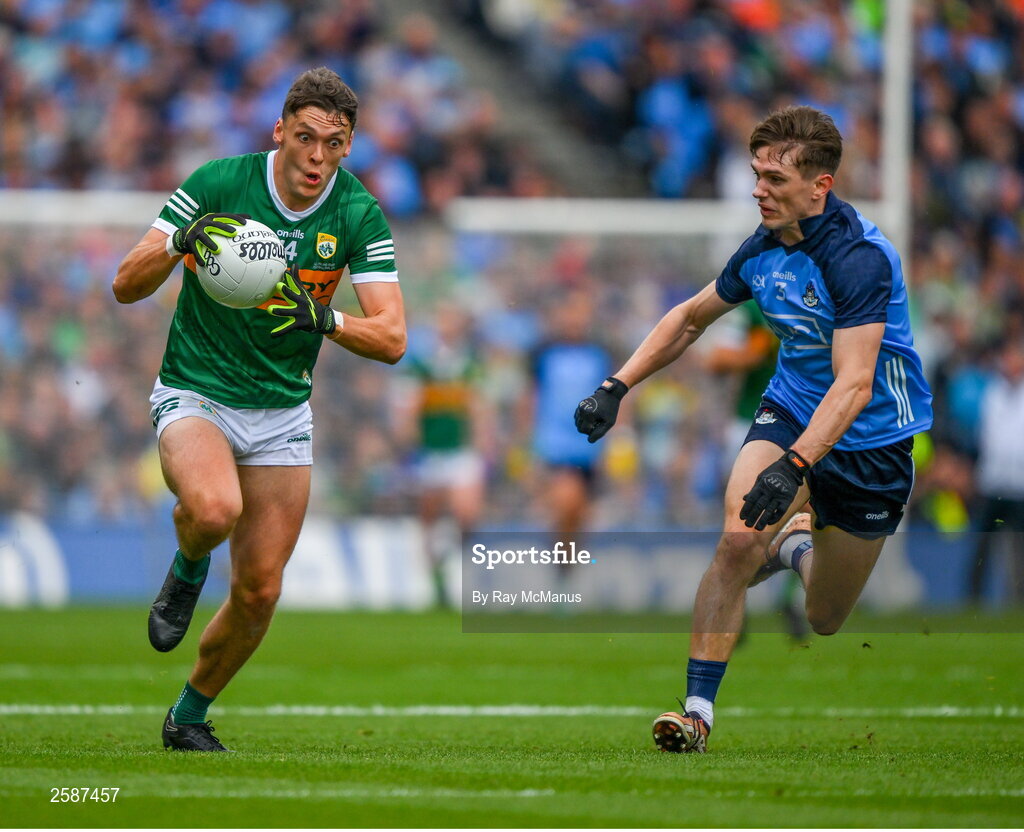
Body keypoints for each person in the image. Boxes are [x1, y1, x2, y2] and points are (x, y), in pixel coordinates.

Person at [575, 106, 932, 753]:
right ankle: (696, 714)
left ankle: (797, 544)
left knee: (823, 618)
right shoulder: (764, 249)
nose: (758, 189)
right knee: (737, 542)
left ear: (820, 185)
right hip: (791, 411)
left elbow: (853, 386)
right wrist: (617, 385)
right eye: (756, 174)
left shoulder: (859, 260)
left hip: (872, 441)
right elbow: (690, 318)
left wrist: (793, 468)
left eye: (774, 178)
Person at [112, 67, 406, 751]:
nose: (317, 156)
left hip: (281, 413)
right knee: (214, 509)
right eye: (305, 137)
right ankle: (188, 567)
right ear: (279, 130)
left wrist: (324, 318)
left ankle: (187, 715)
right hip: (197, 390)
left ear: (349, 145)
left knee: (260, 592)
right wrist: (180, 243)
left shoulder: (357, 213)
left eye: (334, 144)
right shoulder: (219, 184)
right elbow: (125, 284)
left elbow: (391, 338)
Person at [398, 302, 489, 606]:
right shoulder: (421, 365)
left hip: (461, 452)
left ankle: (449, 558)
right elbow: (408, 409)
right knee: (430, 518)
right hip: (431, 452)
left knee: (467, 514)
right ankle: (437, 575)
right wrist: (409, 442)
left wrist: (483, 443)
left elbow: (479, 408)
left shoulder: (470, 364)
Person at [966, 338, 1024, 603]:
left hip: (1019, 485)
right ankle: (973, 598)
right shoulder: (993, 392)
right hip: (992, 483)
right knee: (982, 547)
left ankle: (1018, 598)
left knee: (1019, 549)